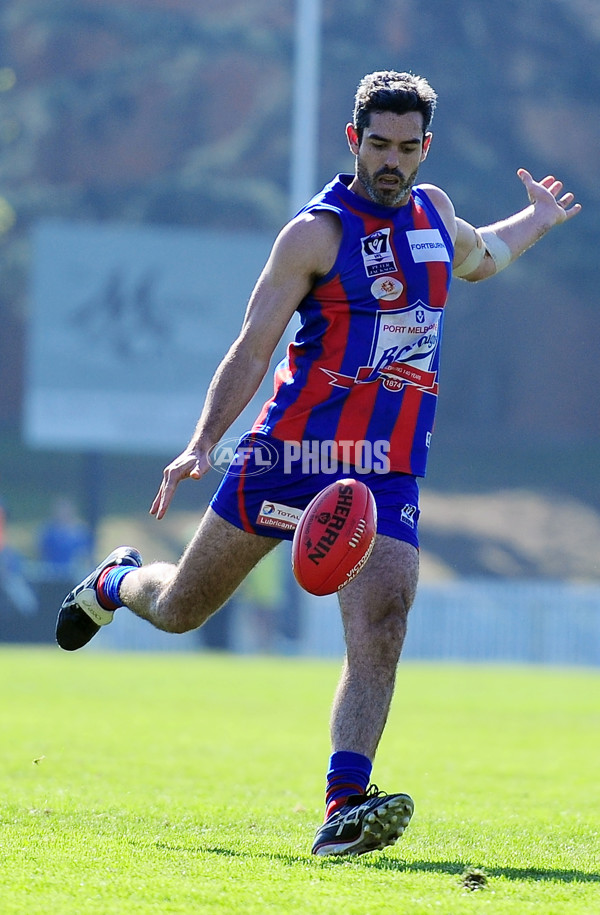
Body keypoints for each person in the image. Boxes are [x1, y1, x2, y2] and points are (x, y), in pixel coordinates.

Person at [55, 70, 581, 856]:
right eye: (379, 145)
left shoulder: (436, 214)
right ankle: (116, 581)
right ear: (353, 140)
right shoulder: (315, 233)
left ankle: (344, 804)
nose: (392, 161)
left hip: (386, 464)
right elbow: (252, 346)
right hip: (292, 454)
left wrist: (537, 218)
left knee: (386, 611)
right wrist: (203, 440)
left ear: (425, 148)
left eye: (408, 147)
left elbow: (486, 257)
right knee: (182, 608)